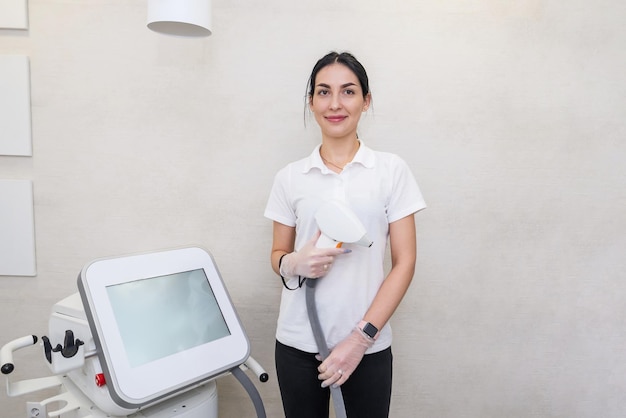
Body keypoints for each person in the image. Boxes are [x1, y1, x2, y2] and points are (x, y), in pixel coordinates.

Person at [264, 51, 426, 418]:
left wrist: (359, 339)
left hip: (366, 347)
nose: (335, 103)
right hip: (297, 344)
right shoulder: (290, 177)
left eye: (348, 92)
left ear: (366, 101)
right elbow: (277, 254)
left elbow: (405, 262)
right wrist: (293, 262)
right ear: (311, 101)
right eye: (323, 92)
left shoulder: (390, 171)